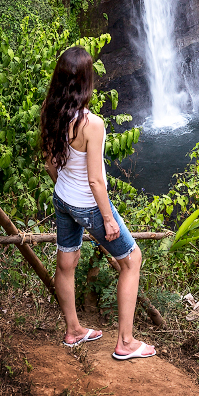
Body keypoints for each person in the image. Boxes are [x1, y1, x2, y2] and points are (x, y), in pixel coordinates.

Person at [40, 45, 156, 359]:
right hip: (89, 206)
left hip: (62, 199)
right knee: (132, 261)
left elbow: (51, 163)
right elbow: (95, 181)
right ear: (88, 81)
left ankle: (74, 330)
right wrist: (106, 218)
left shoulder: (52, 111)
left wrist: (65, 191)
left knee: (66, 264)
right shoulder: (92, 124)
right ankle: (126, 343)